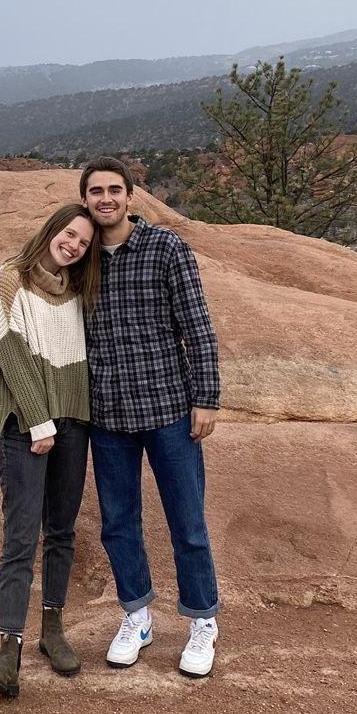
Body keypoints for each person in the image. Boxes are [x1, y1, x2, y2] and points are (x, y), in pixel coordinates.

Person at [79, 156, 223, 678]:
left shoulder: (166, 249)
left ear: (131, 195)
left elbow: (198, 327)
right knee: (119, 524)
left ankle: (202, 622)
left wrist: (205, 398)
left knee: (187, 521)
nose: (105, 199)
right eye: (96, 191)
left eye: (114, 189)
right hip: (108, 415)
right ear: (87, 199)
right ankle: (136, 615)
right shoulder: (82, 258)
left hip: (168, 411)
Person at [0, 203, 100, 701]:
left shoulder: (78, 291)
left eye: (83, 243)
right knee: (22, 534)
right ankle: (9, 652)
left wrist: (66, 421)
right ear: (51, 230)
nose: (73, 245)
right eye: (69, 234)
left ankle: (52, 629)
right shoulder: (11, 278)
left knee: (63, 529)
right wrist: (37, 420)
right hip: (26, 426)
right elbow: (7, 349)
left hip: (74, 423)